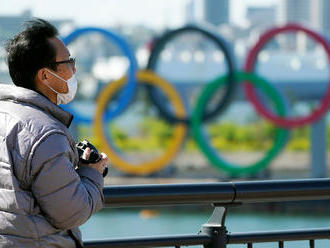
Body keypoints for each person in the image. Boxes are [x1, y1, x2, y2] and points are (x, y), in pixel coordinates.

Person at [0, 18, 108, 247]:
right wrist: (92, 173)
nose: (75, 69)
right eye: (69, 61)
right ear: (46, 76)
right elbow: (71, 213)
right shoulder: (45, 133)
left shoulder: (5, 114)